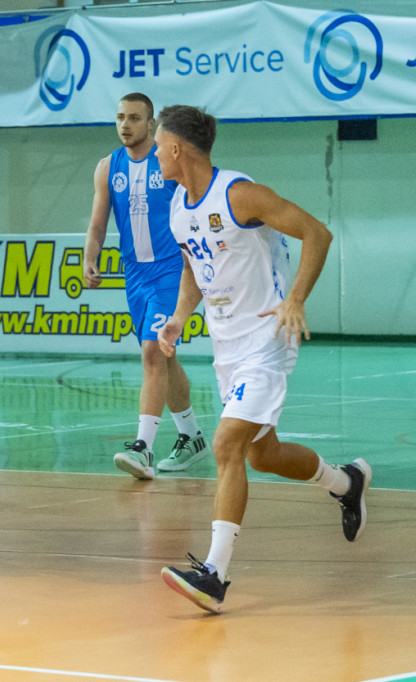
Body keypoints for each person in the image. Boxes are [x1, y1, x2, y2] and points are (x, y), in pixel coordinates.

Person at [152, 105, 371, 613]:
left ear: (178, 148)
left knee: (227, 445)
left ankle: (214, 574)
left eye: (160, 145)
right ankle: (346, 481)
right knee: (260, 454)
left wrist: (296, 298)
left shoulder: (239, 194)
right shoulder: (179, 206)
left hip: (266, 339)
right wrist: (181, 316)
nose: (156, 153)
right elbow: (195, 265)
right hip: (226, 346)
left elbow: (317, 232)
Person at [83, 93, 208, 480]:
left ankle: (142, 449)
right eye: (120, 117)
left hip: (172, 269)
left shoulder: (168, 162)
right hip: (135, 275)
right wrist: (91, 256)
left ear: (150, 124)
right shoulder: (108, 167)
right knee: (165, 356)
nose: (125, 124)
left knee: (153, 351)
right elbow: (98, 223)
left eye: (135, 118)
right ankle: (191, 436)